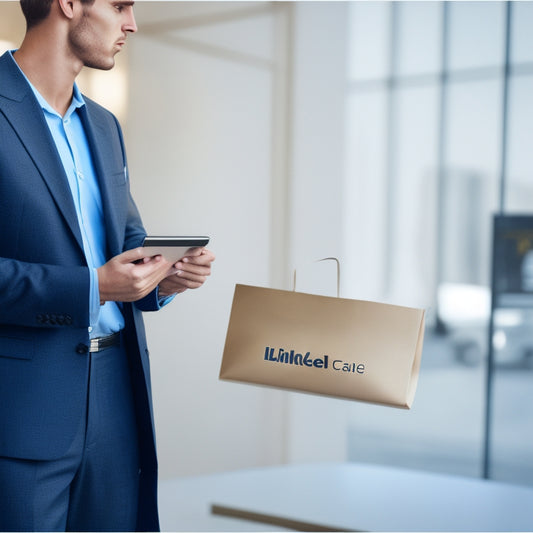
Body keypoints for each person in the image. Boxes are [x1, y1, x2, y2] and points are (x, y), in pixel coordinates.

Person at [0, 0, 215, 531]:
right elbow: (97, 279)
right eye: (120, 5)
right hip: (23, 408)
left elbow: (124, 243)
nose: (132, 24)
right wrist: (93, 287)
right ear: (68, 4)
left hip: (118, 395)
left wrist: (164, 276)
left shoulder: (103, 124)